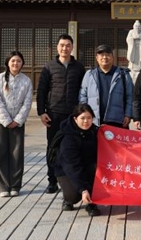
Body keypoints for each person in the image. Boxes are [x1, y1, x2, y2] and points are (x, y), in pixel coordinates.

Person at [37, 34, 86, 194]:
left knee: (73, 147)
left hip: (72, 115)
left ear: (72, 47)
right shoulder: (49, 67)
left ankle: (71, 180)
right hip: (54, 113)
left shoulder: (79, 67)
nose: (65, 48)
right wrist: (42, 112)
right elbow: (42, 90)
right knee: (53, 147)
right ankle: (52, 181)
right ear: (57, 47)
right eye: (62, 45)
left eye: (68, 45)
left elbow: (83, 90)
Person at [0, 51, 33, 198]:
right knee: (0, 153)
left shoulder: (26, 81)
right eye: (13, 61)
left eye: (19, 61)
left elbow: (27, 103)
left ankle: (15, 185)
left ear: (22, 63)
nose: (15, 63)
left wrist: (18, 120)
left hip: (18, 123)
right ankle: (3, 186)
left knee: (16, 153)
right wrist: (7, 120)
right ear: (8, 63)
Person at [55, 103, 101, 216]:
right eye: (82, 118)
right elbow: (72, 167)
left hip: (89, 167)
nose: (86, 121)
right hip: (67, 171)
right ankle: (68, 199)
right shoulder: (68, 138)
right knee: (74, 196)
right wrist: (83, 189)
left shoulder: (95, 132)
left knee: (98, 169)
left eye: (89, 118)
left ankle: (91, 202)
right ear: (75, 119)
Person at [79, 44, 134, 128]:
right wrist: (84, 113)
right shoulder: (90, 74)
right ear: (97, 58)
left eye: (107, 54)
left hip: (117, 120)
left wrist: (128, 114)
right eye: (101, 55)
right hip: (94, 120)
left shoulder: (123, 75)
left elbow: (130, 96)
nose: (104, 57)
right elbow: (83, 95)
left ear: (112, 57)